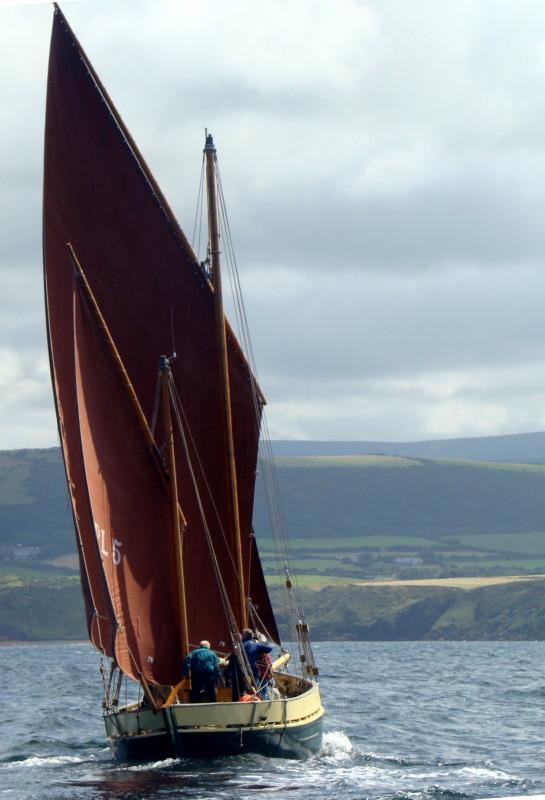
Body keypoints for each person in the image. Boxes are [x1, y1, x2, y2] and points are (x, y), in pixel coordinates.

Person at [242, 628, 273, 700]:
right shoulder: (262, 649)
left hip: (260, 674)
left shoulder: (259, 650)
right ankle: (263, 701)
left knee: (262, 692)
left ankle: (263, 702)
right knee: (262, 692)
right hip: (262, 674)